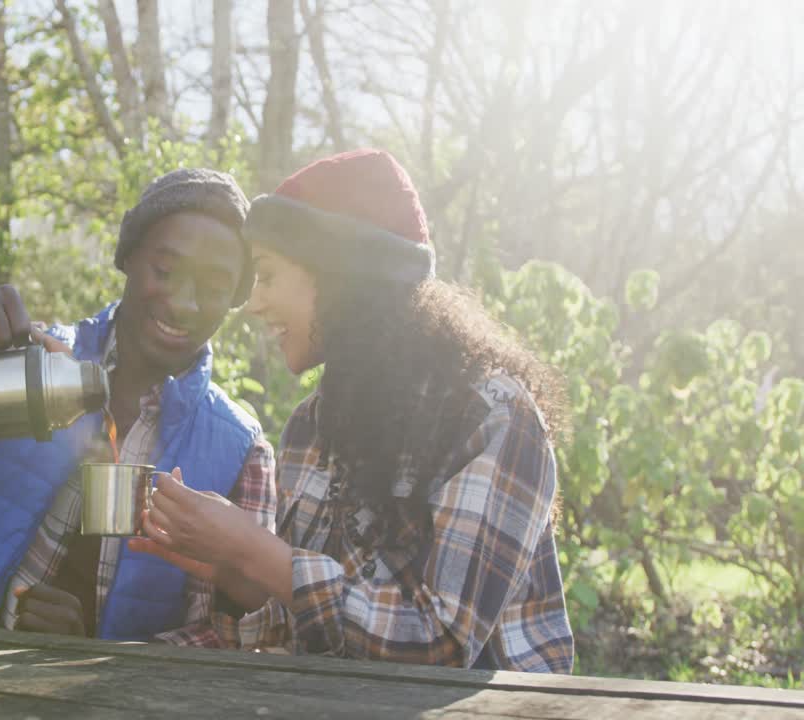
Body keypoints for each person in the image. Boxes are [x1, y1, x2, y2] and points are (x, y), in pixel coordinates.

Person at [128, 149, 574, 671]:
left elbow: (442, 645)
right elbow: (309, 632)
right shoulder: (309, 426)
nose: (253, 304)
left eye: (268, 277)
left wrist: (258, 553)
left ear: (340, 276)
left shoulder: (492, 417)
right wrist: (233, 573)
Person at [0, 168, 275, 645]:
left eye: (212, 288)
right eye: (164, 272)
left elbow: (239, 633)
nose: (184, 302)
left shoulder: (240, 448)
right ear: (128, 257)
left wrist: (96, 651)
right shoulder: (32, 359)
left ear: (233, 300)